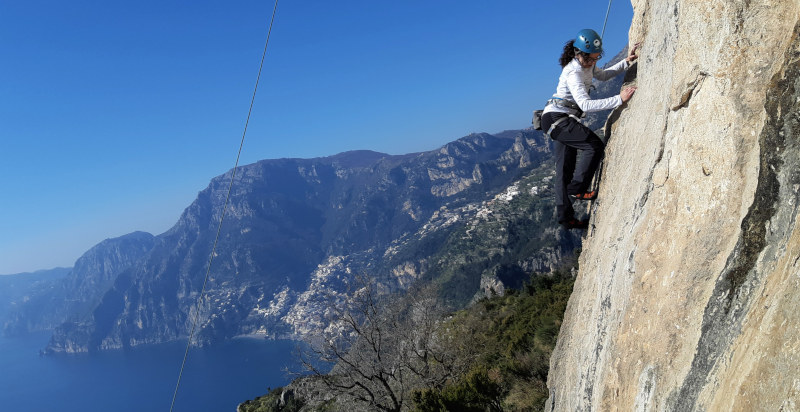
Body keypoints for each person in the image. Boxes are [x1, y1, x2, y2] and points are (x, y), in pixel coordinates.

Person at [541, 29, 639, 229]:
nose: (594, 62)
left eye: (597, 57)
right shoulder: (573, 72)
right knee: (593, 145)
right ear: (580, 54)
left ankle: (566, 218)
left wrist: (626, 62)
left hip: (560, 118)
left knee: (564, 170)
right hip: (556, 118)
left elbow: (603, 76)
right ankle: (577, 189)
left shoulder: (587, 65)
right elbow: (585, 105)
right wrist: (619, 99)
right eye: (592, 58)